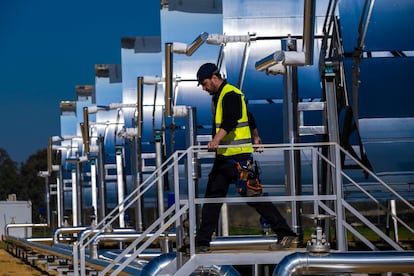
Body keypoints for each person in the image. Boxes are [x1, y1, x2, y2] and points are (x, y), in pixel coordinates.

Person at [193, 63, 297, 252]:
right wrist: (256, 136)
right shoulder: (219, 96)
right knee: (212, 199)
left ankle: (285, 232)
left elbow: (232, 120)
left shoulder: (231, 94)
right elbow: (248, 116)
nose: (203, 87)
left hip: (238, 159)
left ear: (215, 78)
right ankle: (202, 242)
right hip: (224, 158)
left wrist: (216, 140)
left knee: (253, 197)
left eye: (205, 83)